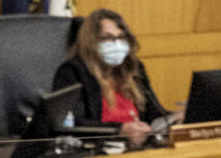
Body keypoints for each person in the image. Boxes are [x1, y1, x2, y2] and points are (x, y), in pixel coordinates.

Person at [47, 9, 172, 149]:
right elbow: (73, 124)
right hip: (98, 150)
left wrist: (175, 120)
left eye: (121, 37)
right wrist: (120, 130)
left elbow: (154, 114)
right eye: (108, 38)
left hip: (138, 149)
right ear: (91, 42)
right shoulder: (73, 71)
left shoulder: (134, 69)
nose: (117, 44)